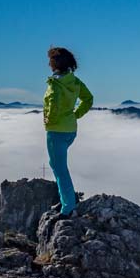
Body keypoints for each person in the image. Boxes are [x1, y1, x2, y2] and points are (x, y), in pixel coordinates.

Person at [43, 46, 93, 217]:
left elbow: (54, 104)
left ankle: (68, 207)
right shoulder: (74, 81)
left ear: (55, 63)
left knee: (59, 168)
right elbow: (88, 99)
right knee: (57, 165)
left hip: (56, 132)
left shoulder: (56, 84)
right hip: (70, 130)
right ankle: (67, 199)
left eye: (50, 60)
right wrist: (75, 115)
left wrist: (49, 120)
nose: (48, 63)